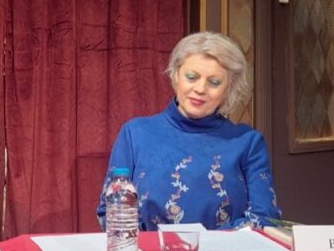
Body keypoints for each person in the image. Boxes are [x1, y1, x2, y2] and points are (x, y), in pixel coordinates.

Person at [97, 31, 280, 230]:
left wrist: (198, 243)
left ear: (228, 88)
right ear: (176, 75)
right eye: (192, 77)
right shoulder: (135, 134)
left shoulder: (248, 142)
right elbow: (111, 212)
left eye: (214, 82)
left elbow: (264, 218)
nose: (200, 89)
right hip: (148, 249)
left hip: (224, 250)